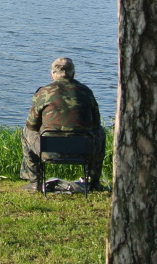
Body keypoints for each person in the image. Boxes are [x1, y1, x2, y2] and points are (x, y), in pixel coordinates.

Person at [20, 57, 106, 191]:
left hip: (49, 151)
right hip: (84, 151)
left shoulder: (43, 92)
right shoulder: (86, 91)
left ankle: (35, 182)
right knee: (100, 131)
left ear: (52, 74)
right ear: (73, 73)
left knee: (26, 132)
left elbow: (32, 125)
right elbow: (96, 123)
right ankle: (94, 183)